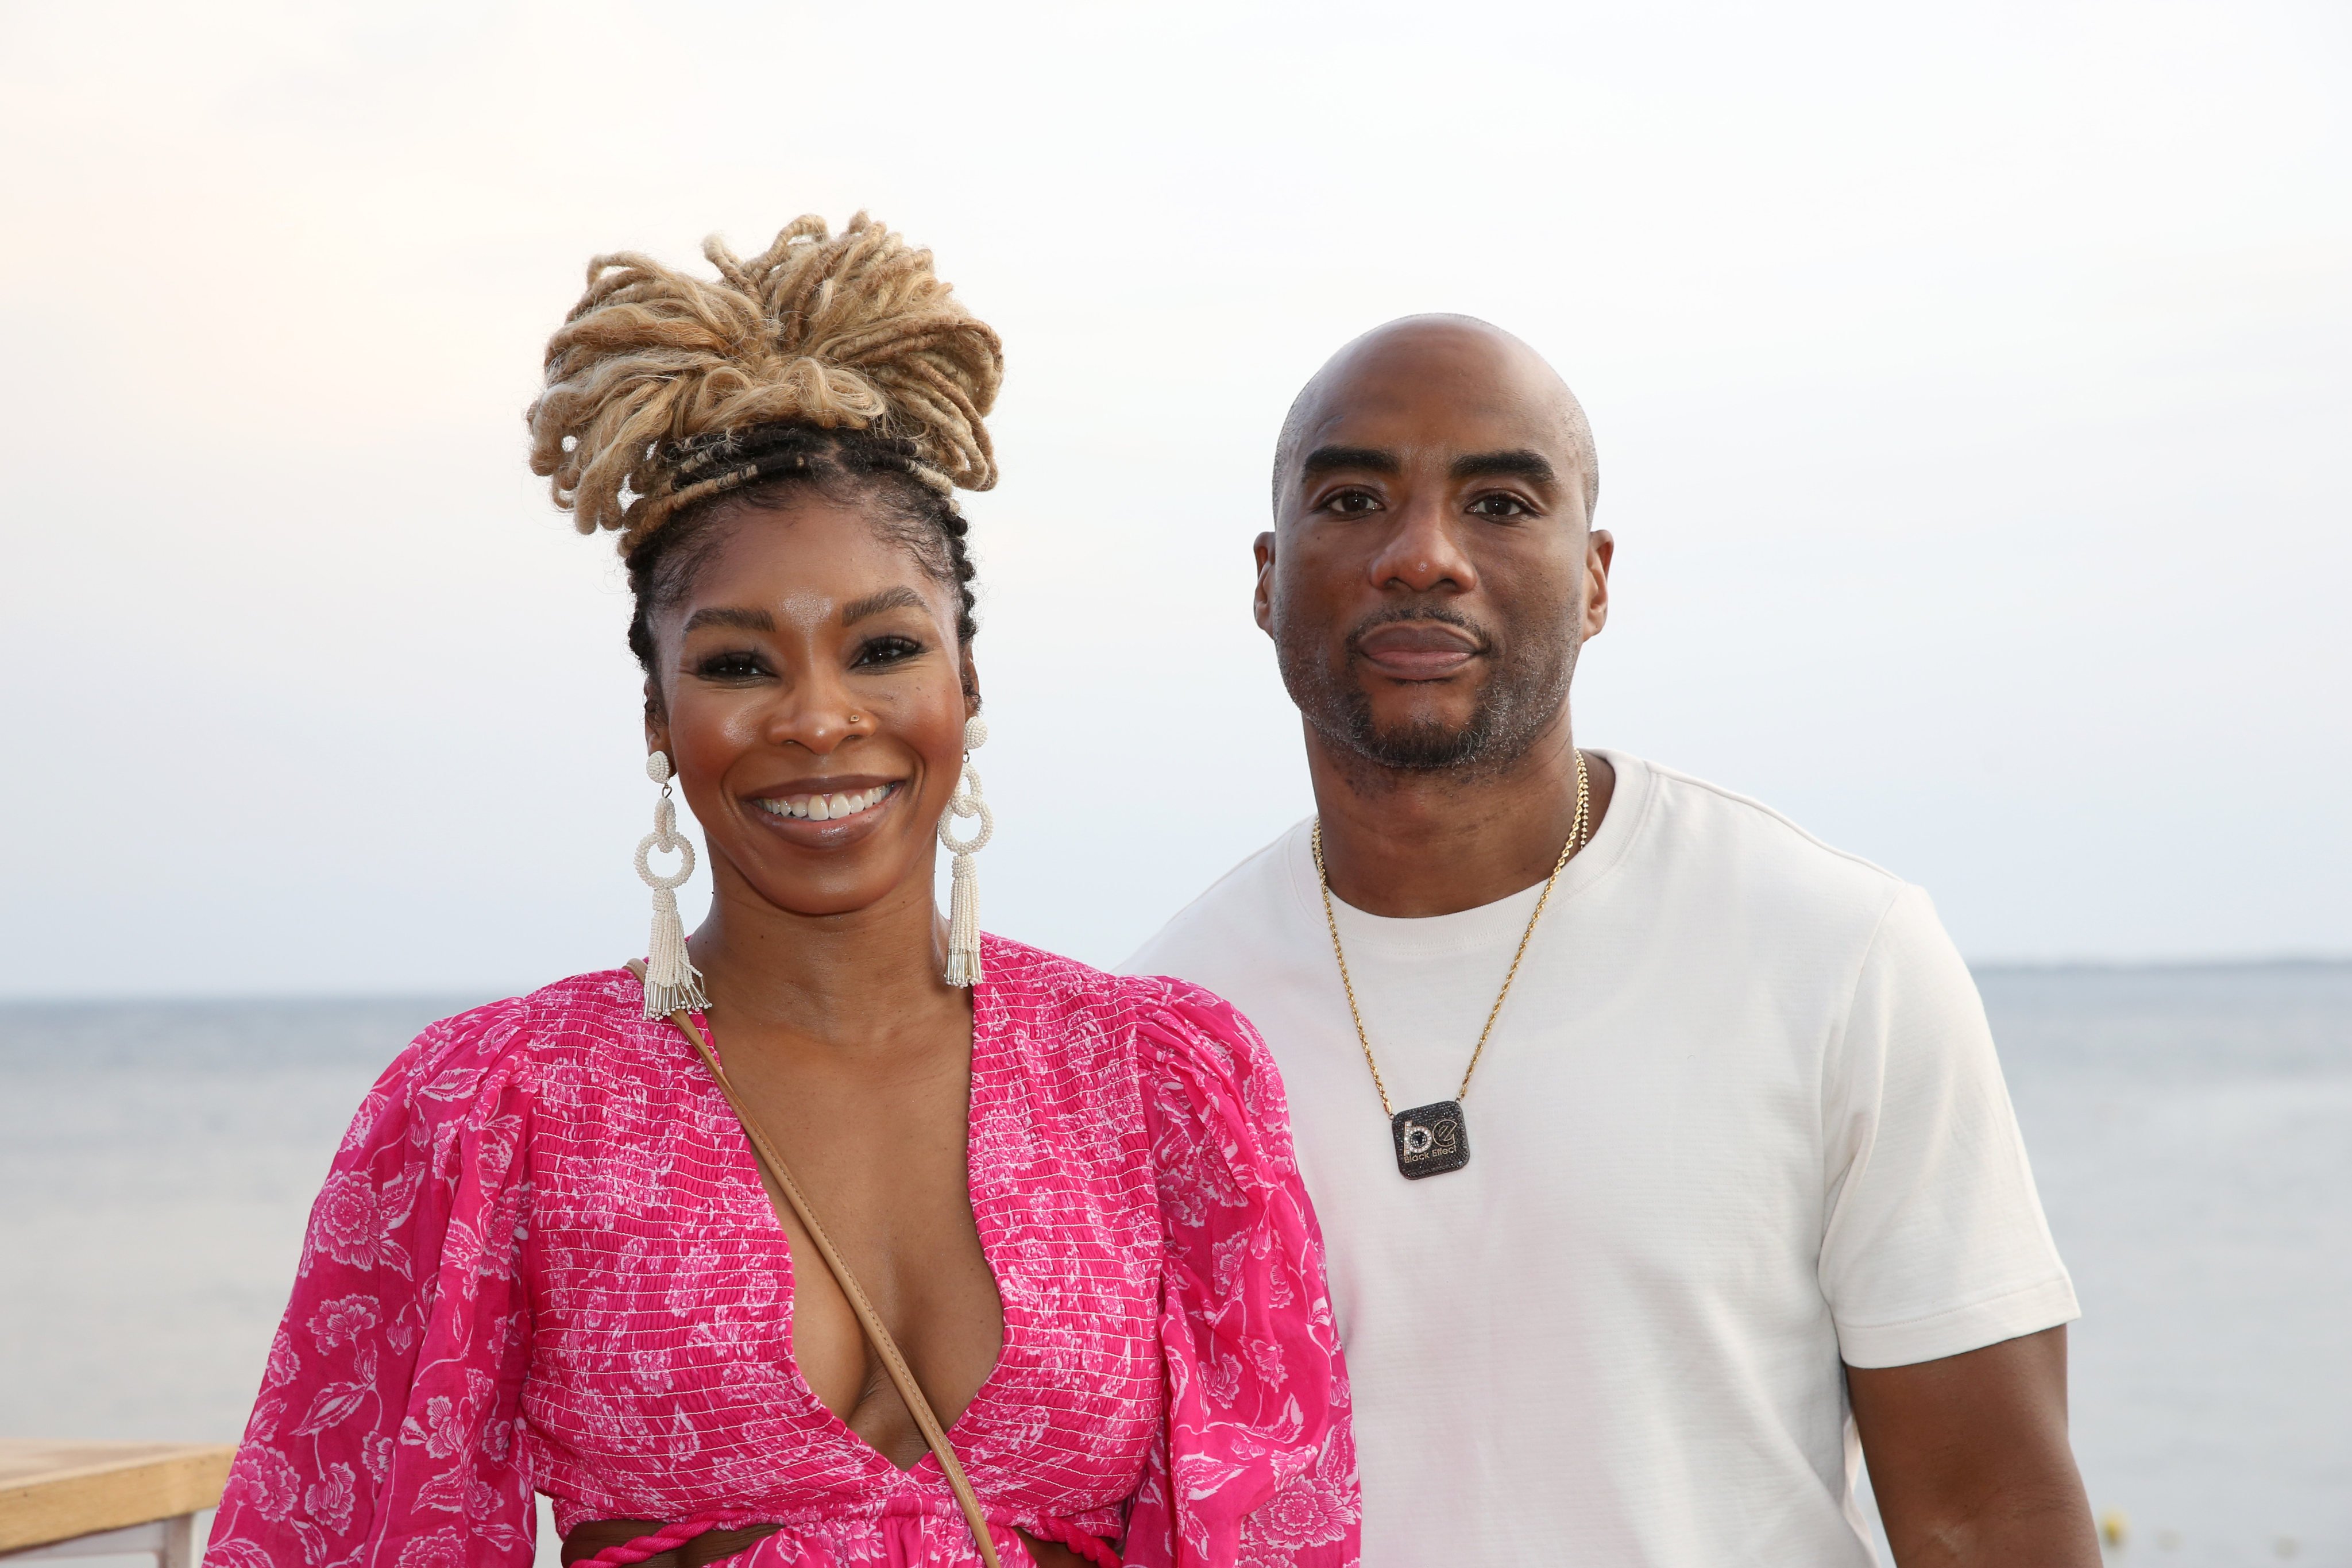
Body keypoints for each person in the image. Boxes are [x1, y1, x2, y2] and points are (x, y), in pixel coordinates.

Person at [205, 215, 1358, 1568]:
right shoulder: (496, 1108)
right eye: (740, 665)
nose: (818, 719)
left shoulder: (1160, 1083)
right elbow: (346, 1534)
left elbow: (1274, 1534)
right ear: (657, 714)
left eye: (880, 648)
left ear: (964, 689)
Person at [1125, 315, 2100, 1566]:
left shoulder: (1832, 951)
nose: (1421, 556)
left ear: (1593, 578)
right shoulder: (1162, 1026)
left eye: (1497, 503)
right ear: (1266, 577)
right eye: (1357, 497)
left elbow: (1988, 1515)